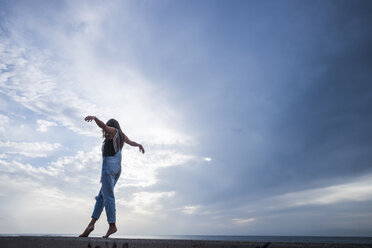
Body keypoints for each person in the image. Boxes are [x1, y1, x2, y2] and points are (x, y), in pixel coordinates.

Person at [79, 116, 145, 238]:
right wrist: (139, 145)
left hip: (109, 169)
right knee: (101, 196)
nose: (105, 132)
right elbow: (131, 143)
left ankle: (112, 225)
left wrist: (94, 118)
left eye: (108, 129)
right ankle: (91, 225)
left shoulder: (114, 131)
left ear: (112, 126)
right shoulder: (122, 136)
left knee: (108, 196)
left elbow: (103, 126)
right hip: (116, 169)